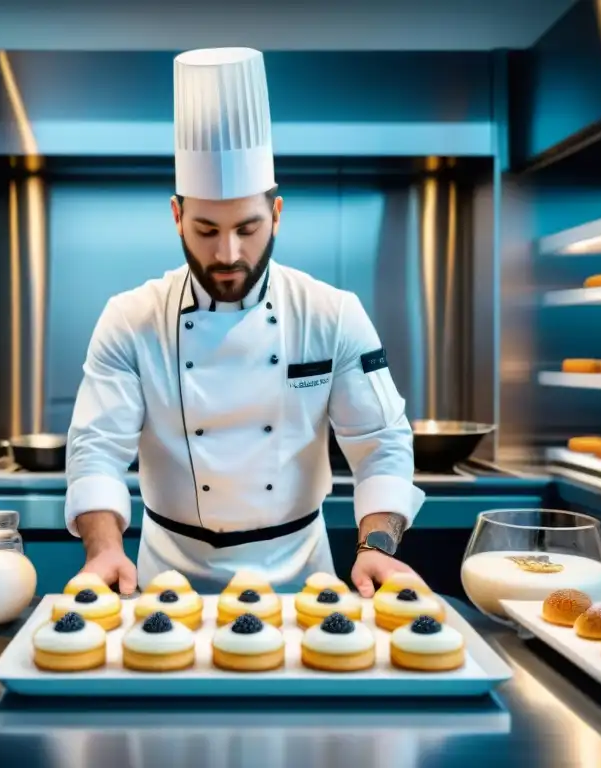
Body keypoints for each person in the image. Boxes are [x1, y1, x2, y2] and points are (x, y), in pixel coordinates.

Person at [64, 47, 424, 595]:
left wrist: (377, 547)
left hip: (304, 580)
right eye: (206, 230)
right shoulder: (130, 319)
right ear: (177, 217)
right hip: (166, 580)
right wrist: (105, 549)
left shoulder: (332, 314)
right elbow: (97, 448)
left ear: (276, 216)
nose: (228, 252)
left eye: (248, 228)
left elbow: (381, 443)